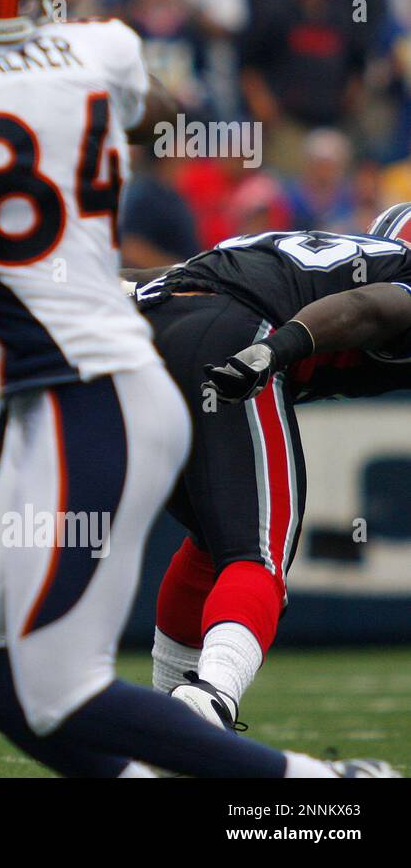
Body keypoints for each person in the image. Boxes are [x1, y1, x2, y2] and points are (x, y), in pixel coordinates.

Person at [0, 0, 393, 778]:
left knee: (62, 683)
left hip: (97, 379)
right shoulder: (100, 50)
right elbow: (159, 118)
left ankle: (319, 789)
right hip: (78, 381)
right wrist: (24, 85)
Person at [132, 203, 411, 733]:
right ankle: (211, 696)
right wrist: (273, 350)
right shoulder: (391, 275)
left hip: (144, 336)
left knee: (214, 543)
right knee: (257, 552)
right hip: (234, 336)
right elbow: (367, 307)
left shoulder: (314, 254)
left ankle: (167, 718)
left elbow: (168, 280)